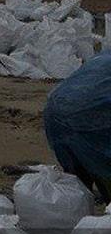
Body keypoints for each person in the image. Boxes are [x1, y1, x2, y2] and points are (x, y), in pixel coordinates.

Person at [44, 51, 111, 202]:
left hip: (55, 112)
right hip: (90, 121)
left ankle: (79, 208)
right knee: (102, 166)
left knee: (78, 186)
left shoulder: (104, 56)